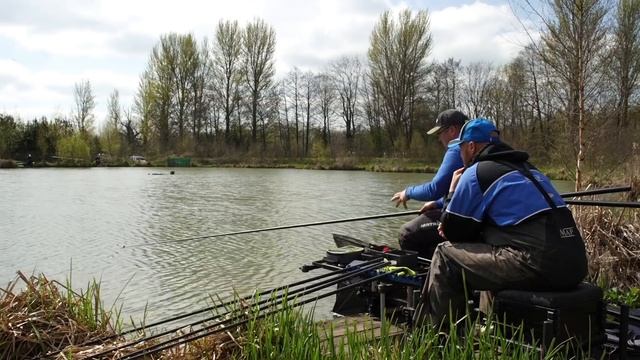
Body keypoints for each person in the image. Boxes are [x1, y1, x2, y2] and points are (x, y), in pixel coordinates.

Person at [415, 118, 588, 327]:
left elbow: (452, 232)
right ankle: (489, 328)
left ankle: (436, 338)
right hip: (576, 265)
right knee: (493, 250)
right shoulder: (530, 170)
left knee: (445, 255)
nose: (460, 154)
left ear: (471, 147)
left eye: (460, 147)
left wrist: (452, 191)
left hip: (539, 263)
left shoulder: (476, 173)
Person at [391, 109, 468, 258]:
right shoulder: (474, 145)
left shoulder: (456, 149)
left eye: (440, 133)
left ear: (452, 130)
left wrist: (407, 192)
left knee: (406, 233)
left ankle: (424, 277)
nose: (439, 139)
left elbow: (434, 189)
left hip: (459, 217)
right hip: (464, 212)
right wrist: (438, 203)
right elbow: (459, 188)